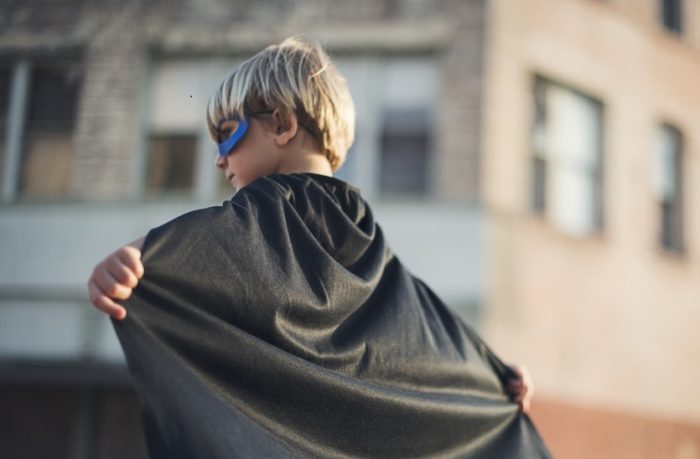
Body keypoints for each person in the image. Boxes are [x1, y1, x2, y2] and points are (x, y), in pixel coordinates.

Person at [87, 36, 544, 457]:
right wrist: (493, 375)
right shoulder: (361, 226)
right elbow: (418, 325)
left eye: (227, 132)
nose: (219, 158)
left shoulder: (268, 208)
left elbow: (203, 242)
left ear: (283, 124)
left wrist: (136, 259)